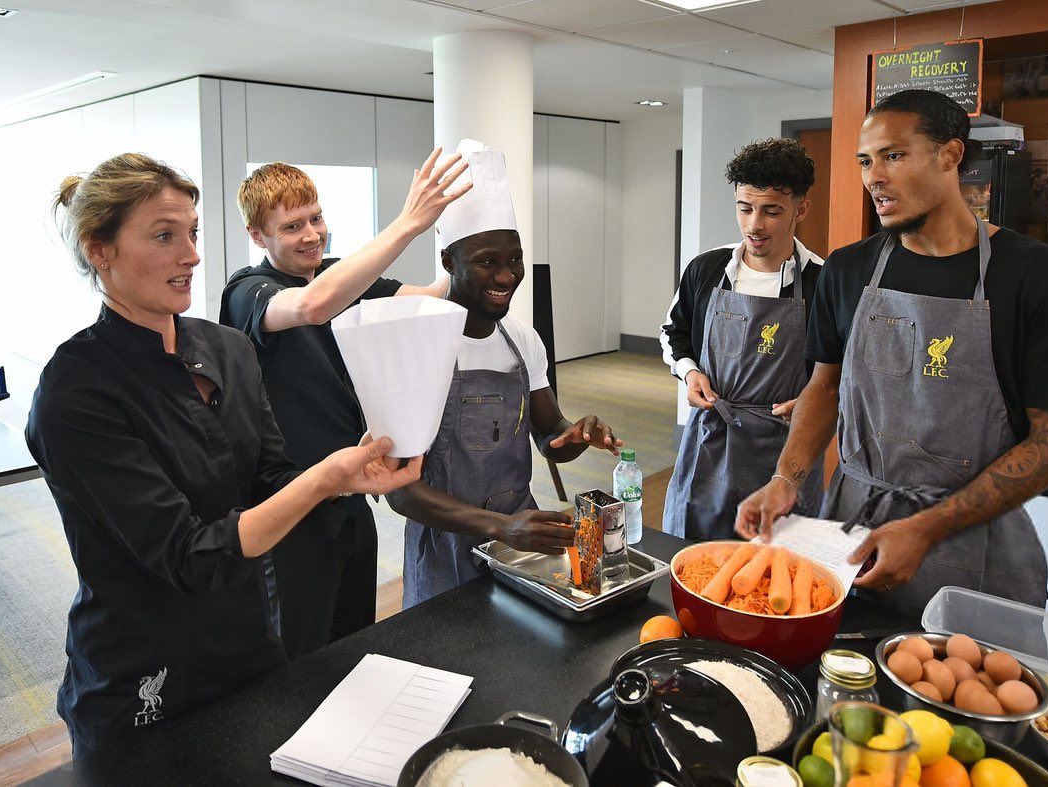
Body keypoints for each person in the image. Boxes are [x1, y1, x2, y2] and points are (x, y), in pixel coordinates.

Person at [26, 153, 421, 756]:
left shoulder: (228, 349)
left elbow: (269, 476)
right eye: (165, 236)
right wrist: (322, 481)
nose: (191, 255)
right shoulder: (77, 391)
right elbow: (189, 555)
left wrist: (349, 477)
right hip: (144, 674)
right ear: (99, 250)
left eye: (192, 233)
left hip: (247, 646)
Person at [735, 89, 1048, 615]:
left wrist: (926, 528)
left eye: (894, 155)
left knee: (960, 668)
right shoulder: (847, 270)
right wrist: (785, 479)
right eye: (865, 161)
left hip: (973, 541)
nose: (873, 177)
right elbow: (825, 387)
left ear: (950, 155)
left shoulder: (1038, 277)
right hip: (851, 529)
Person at [219, 150, 468, 658]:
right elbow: (312, 307)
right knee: (297, 652)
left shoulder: (339, 277)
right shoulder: (248, 291)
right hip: (289, 506)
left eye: (316, 219)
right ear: (257, 236)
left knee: (354, 636)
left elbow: (432, 298)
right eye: (292, 226)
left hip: (352, 490)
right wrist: (408, 223)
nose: (312, 234)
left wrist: (467, 234)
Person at [386, 143, 622, 608]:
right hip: (447, 549)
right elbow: (400, 490)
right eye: (487, 261)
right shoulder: (418, 345)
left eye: (514, 259)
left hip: (521, 542)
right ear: (448, 262)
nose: (507, 275)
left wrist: (578, 434)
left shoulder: (521, 339)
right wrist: (500, 527)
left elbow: (550, 436)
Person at [660, 138, 824, 540]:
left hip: (783, 449)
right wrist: (690, 373)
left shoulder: (823, 281)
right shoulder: (707, 269)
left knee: (775, 561)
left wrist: (810, 402)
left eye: (771, 211)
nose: (754, 225)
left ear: (801, 209)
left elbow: (842, 372)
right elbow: (672, 333)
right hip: (711, 438)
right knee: (695, 554)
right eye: (745, 208)